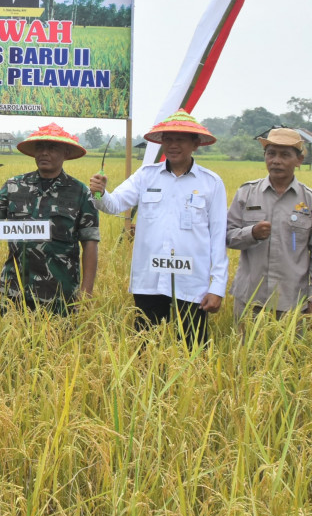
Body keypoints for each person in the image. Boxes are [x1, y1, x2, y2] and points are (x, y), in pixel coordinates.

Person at [90, 109, 227, 345]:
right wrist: (100, 193)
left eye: (180, 140)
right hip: (150, 280)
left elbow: (218, 237)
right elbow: (114, 205)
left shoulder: (211, 183)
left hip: (192, 282)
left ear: (195, 144)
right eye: (168, 139)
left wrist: (217, 287)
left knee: (192, 347)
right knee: (145, 347)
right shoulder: (146, 176)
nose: (173, 145)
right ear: (162, 143)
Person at [0, 123, 99, 314]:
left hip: (60, 293)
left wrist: (86, 293)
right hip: (15, 289)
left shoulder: (80, 192)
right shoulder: (14, 185)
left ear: (65, 152)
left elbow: (90, 243)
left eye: (52, 148)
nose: (44, 153)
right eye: (40, 147)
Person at [226, 127, 312, 321]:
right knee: (245, 350)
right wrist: (251, 233)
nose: (276, 160)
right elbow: (227, 236)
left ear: (299, 160)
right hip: (250, 299)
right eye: (271, 154)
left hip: (293, 301)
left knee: (291, 352)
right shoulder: (246, 193)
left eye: (285, 155)